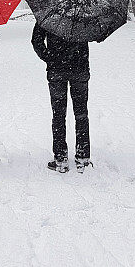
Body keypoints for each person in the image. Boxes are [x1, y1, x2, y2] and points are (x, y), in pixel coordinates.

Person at [31, 23, 92, 173]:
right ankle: (83, 157)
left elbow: (36, 40)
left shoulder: (49, 14)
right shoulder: (83, 11)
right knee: (81, 114)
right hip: (80, 68)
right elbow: (94, 34)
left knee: (58, 115)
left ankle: (60, 158)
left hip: (57, 71)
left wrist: (49, 57)